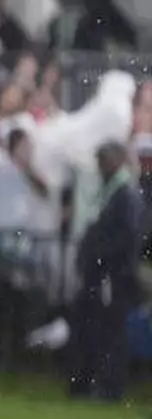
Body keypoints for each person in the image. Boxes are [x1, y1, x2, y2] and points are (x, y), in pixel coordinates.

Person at [67, 141, 147, 401]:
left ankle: (110, 387)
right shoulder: (113, 191)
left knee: (112, 331)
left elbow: (127, 237)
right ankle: (91, 383)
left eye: (104, 160)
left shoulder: (125, 194)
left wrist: (104, 262)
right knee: (98, 327)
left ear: (117, 160)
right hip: (103, 274)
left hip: (113, 276)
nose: (100, 166)